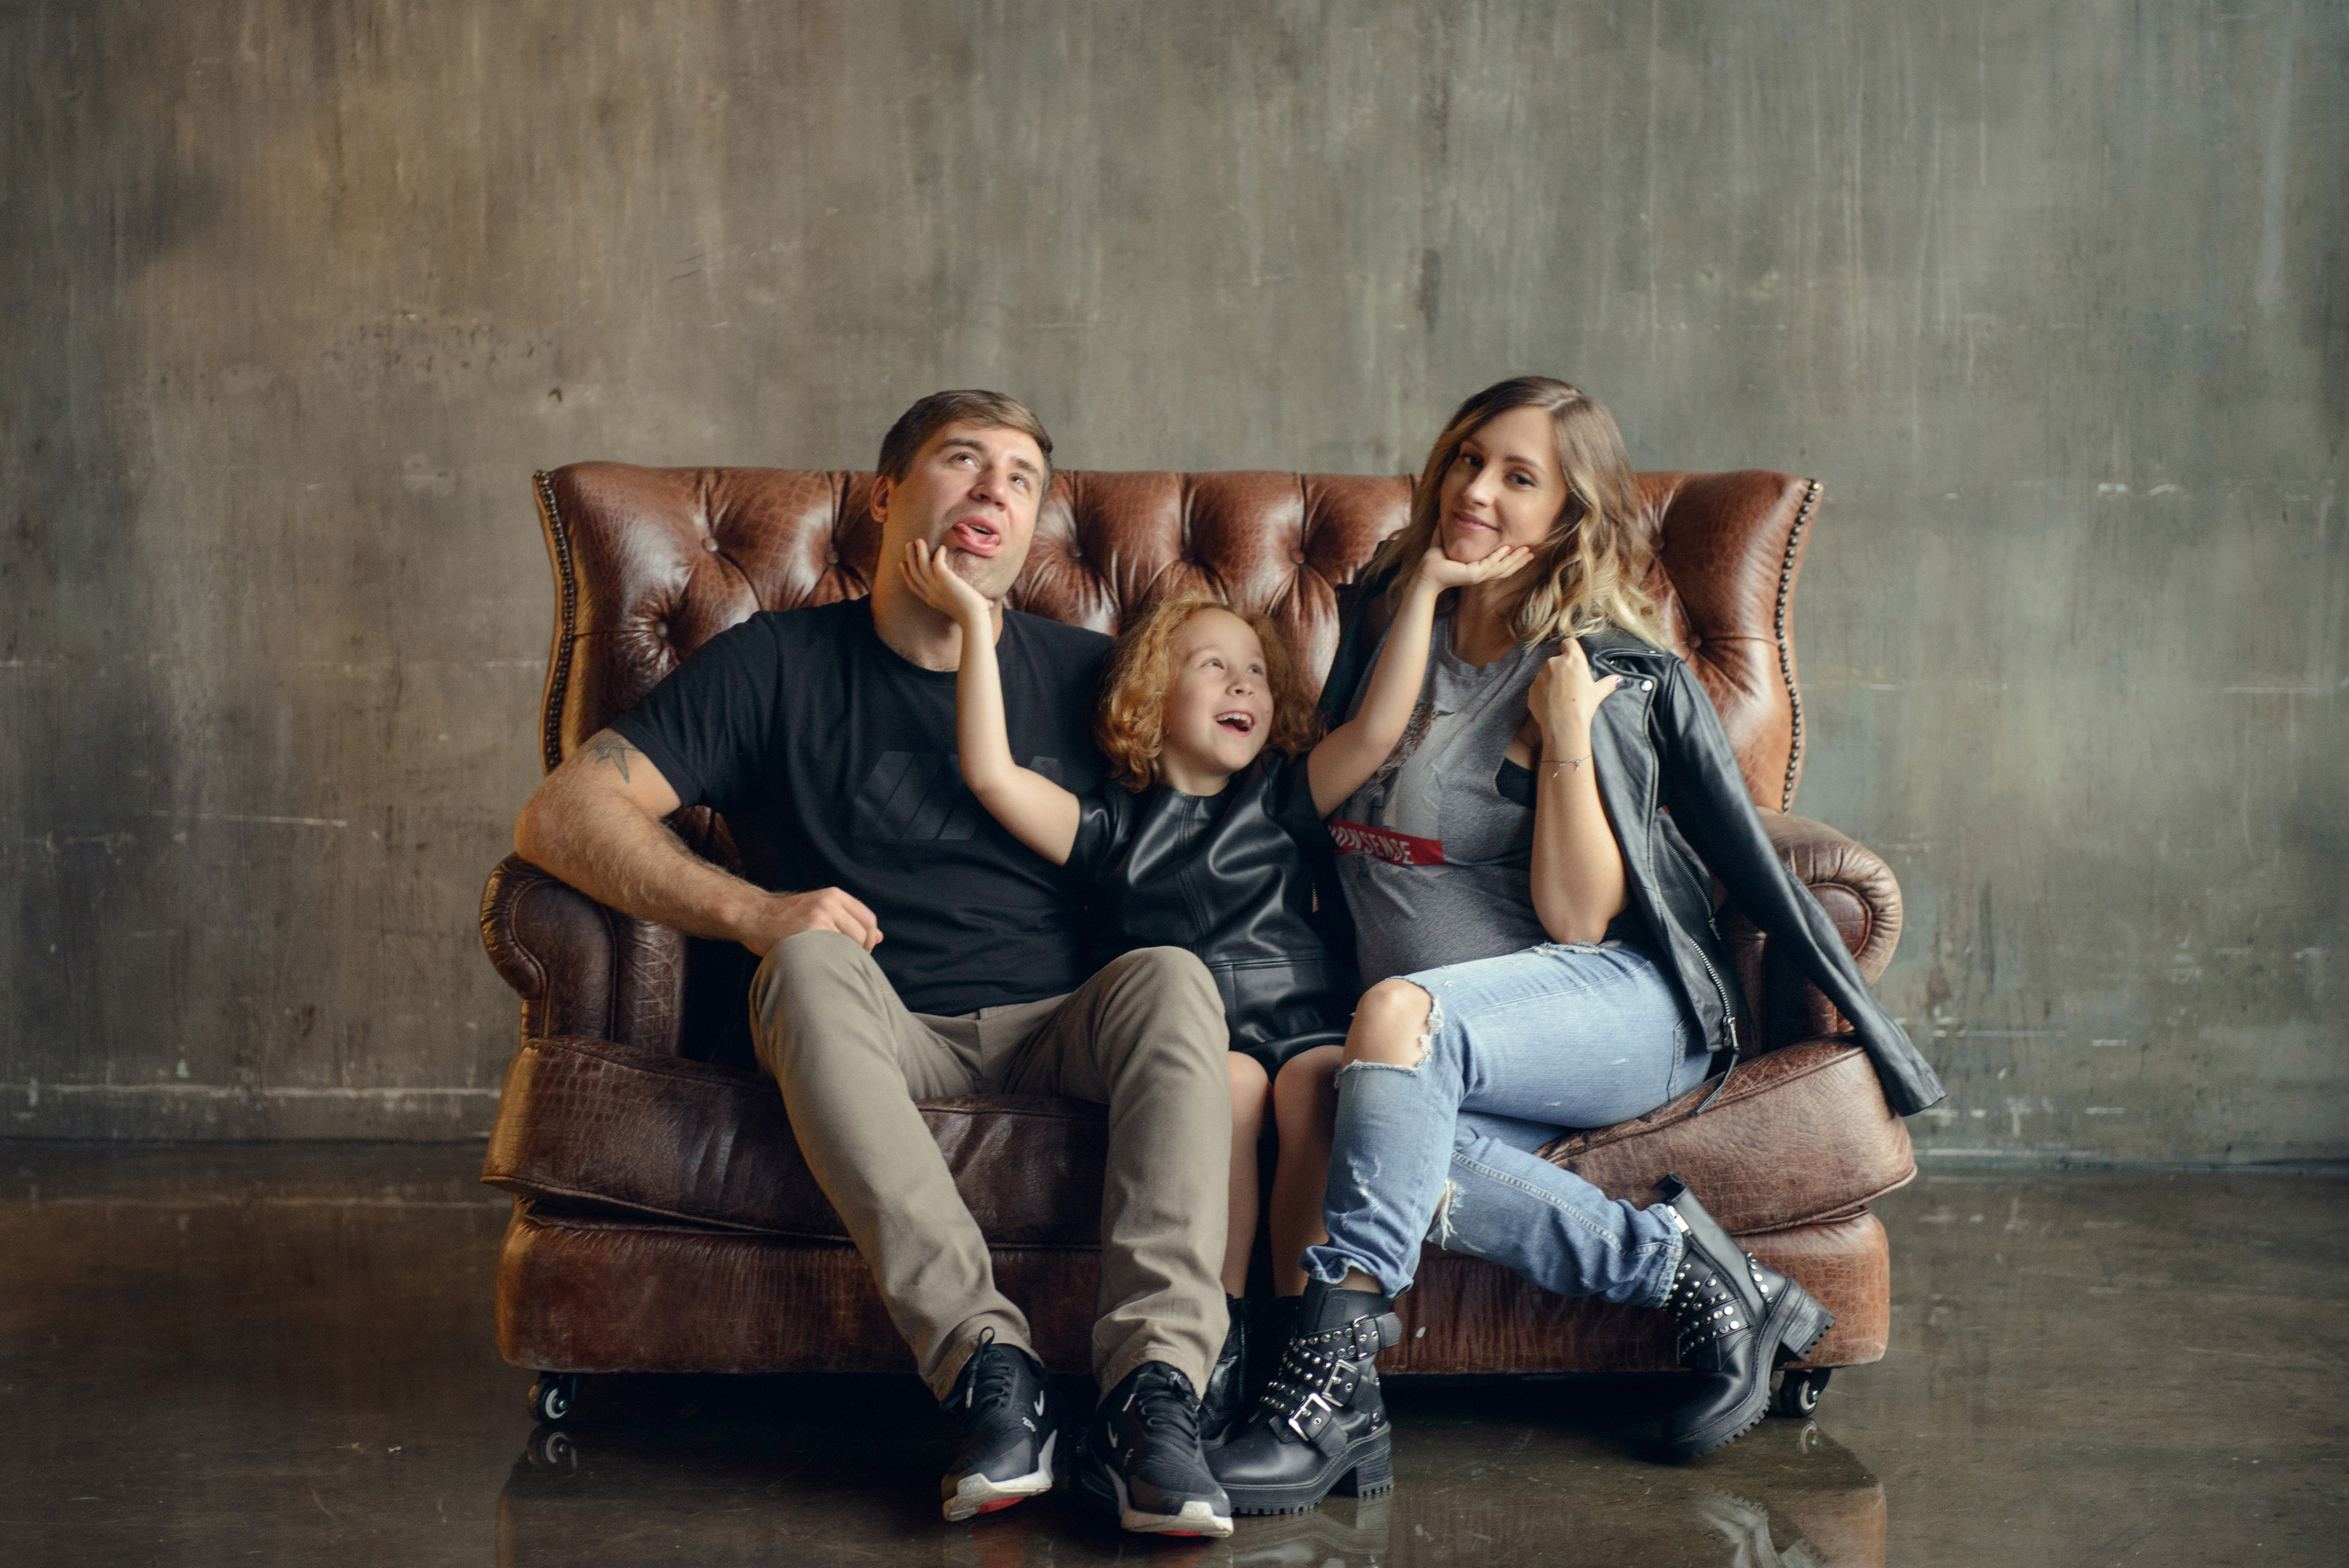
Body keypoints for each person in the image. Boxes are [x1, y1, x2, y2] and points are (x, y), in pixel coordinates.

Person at [1208, 377, 1947, 1515]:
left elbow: (1575, 915)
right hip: (1446, 1038)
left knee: (1396, 1015)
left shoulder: (1590, 666)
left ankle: (1327, 1392)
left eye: (1518, 478)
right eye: (1467, 460)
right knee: (1327, 1096)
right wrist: (1419, 599)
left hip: (1615, 1006)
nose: (1476, 491)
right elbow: (1318, 797)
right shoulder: (1387, 618)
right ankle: (1708, 1281)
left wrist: (1563, 736)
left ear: (1565, 516)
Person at [513, 391, 1241, 1539]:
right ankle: (990, 1374)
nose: (995, 489)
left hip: (1063, 1021)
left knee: (1174, 979)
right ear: (889, 494)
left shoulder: (1090, 672)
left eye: (1020, 477)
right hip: (877, 1020)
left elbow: (1222, 842)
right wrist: (751, 908)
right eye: (964, 461)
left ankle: (1156, 1398)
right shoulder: (777, 664)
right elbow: (565, 811)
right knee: (800, 963)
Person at [896, 533, 1529, 1455]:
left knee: (1321, 1081)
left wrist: (1426, 586)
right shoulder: (1108, 822)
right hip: (1187, 1045)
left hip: (1301, 1018)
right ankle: (1214, 1337)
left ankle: (1301, 1335)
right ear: (1148, 697)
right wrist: (969, 623)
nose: (1243, 686)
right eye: (1212, 667)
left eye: (1255, 674)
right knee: (1227, 1087)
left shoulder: (1281, 793)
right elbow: (991, 774)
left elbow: (1379, 730)